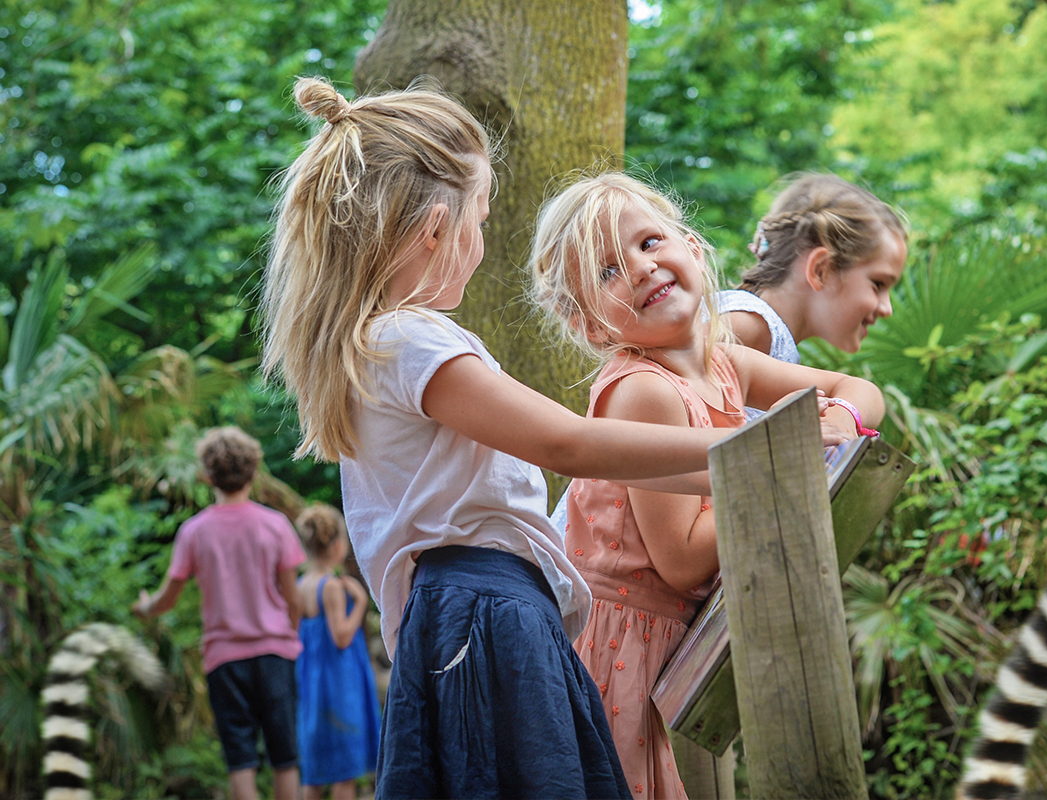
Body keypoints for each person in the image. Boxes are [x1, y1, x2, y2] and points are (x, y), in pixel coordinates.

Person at [259, 78, 846, 800]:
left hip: (482, 608)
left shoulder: (384, 343)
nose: (481, 241)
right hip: (486, 608)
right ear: (436, 232)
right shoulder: (410, 340)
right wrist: (760, 458)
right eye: (481, 216)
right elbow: (569, 444)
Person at [527, 172, 885, 799]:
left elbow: (862, 391)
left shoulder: (726, 360)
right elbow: (681, 560)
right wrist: (783, 468)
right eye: (608, 271)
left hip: (676, 643)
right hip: (621, 652)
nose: (638, 269)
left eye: (648, 242)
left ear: (692, 249)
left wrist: (839, 420)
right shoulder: (642, 391)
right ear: (588, 324)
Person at [132, 427, 304, 800]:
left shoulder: (194, 532)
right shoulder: (275, 525)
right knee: (285, 758)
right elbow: (293, 600)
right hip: (276, 654)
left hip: (224, 660)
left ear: (206, 476)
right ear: (254, 471)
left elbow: (167, 598)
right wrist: (288, 634)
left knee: (240, 762)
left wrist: (146, 607)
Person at [719, 172, 907, 365]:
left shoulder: (765, 334)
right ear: (820, 270)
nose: (887, 308)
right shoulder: (746, 329)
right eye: (878, 284)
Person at [293, 503, 380, 800]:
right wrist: (360, 604)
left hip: (312, 683)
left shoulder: (301, 583)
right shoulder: (331, 586)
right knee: (345, 770)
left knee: (315, 770)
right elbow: (341, 637)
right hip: (339, 685)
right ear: (337, 545)